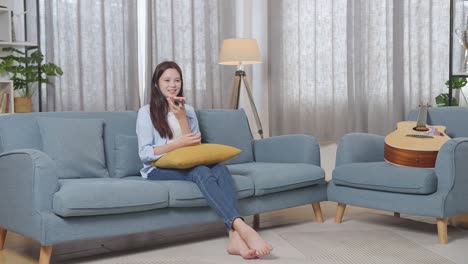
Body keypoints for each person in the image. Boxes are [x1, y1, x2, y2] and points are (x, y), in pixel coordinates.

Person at [136, 61, 273, 259]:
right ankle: (242, 228)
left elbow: (195, 149)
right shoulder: (146, 112)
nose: (173, 84)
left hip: (188, 161)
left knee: (220, 169)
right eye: (167, 80)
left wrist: (182, 118)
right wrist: (178, 143)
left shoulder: (188, 110)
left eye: (177, 80)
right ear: (156, 84)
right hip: (157, 168)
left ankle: (234, 236)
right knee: (201, 171)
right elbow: (146, 153)